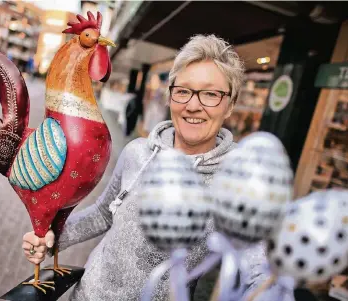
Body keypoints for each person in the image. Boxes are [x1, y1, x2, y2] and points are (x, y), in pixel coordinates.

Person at [22, 34, 292, 300]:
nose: (193, 105)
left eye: (210, 94)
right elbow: (104, 214)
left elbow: (257, 260)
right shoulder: (137, 152)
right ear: (170, 96)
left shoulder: (238, 179)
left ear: (230, 105)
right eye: (183, 91)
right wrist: (52, 237)